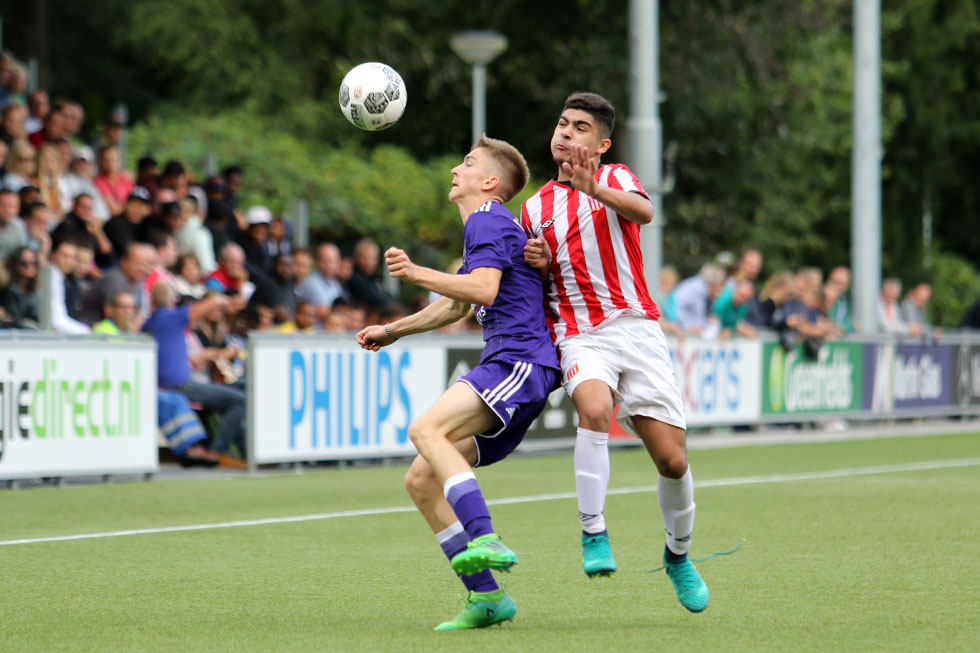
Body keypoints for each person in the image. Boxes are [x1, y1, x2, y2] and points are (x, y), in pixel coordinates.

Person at [357, 135, 559, 630]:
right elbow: (457, 305)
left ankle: (485, 536)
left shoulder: (488, 218)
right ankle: (487, 597)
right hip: (515, 366)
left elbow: (482, 288)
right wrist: (392, 330)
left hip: (518, 363)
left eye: (467, 163)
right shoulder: (485, 227)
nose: (455, 169)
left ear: (490, 182)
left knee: (425, 431)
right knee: (421, 479)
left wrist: (416, 271)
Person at [522, 92, 708, 612]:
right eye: (561, 123)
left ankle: (678, 555)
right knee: (595, 409)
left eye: (580, 127)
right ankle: (593, 531)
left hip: (638, 328)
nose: (565, 133)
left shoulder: (618, 177)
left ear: (601, 145)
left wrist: (594, 188)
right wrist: (536, 260)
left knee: (672, 462)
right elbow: (537, 278)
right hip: (580, 332)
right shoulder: (534, 207)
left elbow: (644, 213)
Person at [142, 283, 247, 465]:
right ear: (172, 299)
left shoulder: (152, 321)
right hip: (183, 384)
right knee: (241, 400)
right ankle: (218, 451)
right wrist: (228, 300)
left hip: (180, 382)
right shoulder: (171, 317)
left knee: (235, 399)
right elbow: (212, 300)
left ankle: (244, 450)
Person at [47, 238, 90, 334]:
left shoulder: (67, 280)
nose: (68, 261)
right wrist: (87, 331)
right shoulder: (51, 276)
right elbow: (56, 321)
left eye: (73, 257)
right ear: (53, 256)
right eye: (64, 256)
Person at [297, 242, 344, 318]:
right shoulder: (310, 282)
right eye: (325, 261)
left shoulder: (335, 283)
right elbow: (322, 311)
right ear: (317, 261)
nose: (328, 265)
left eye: (331, 261)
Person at [347, 238, 396, 309]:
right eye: (365, 258)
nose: (369, 262)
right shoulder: (354, 277)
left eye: (373, 259)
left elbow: (387, 295)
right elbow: (374, 298)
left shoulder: (373, 278)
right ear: (357, 257)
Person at [0, 246, 40, 328]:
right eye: (24, 263)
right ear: (15, 264)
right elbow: (11, 319)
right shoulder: (7, 288)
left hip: (27, 332)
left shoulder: (31, 289)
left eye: (33, 263)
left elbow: (34, 316)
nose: (30, 266)